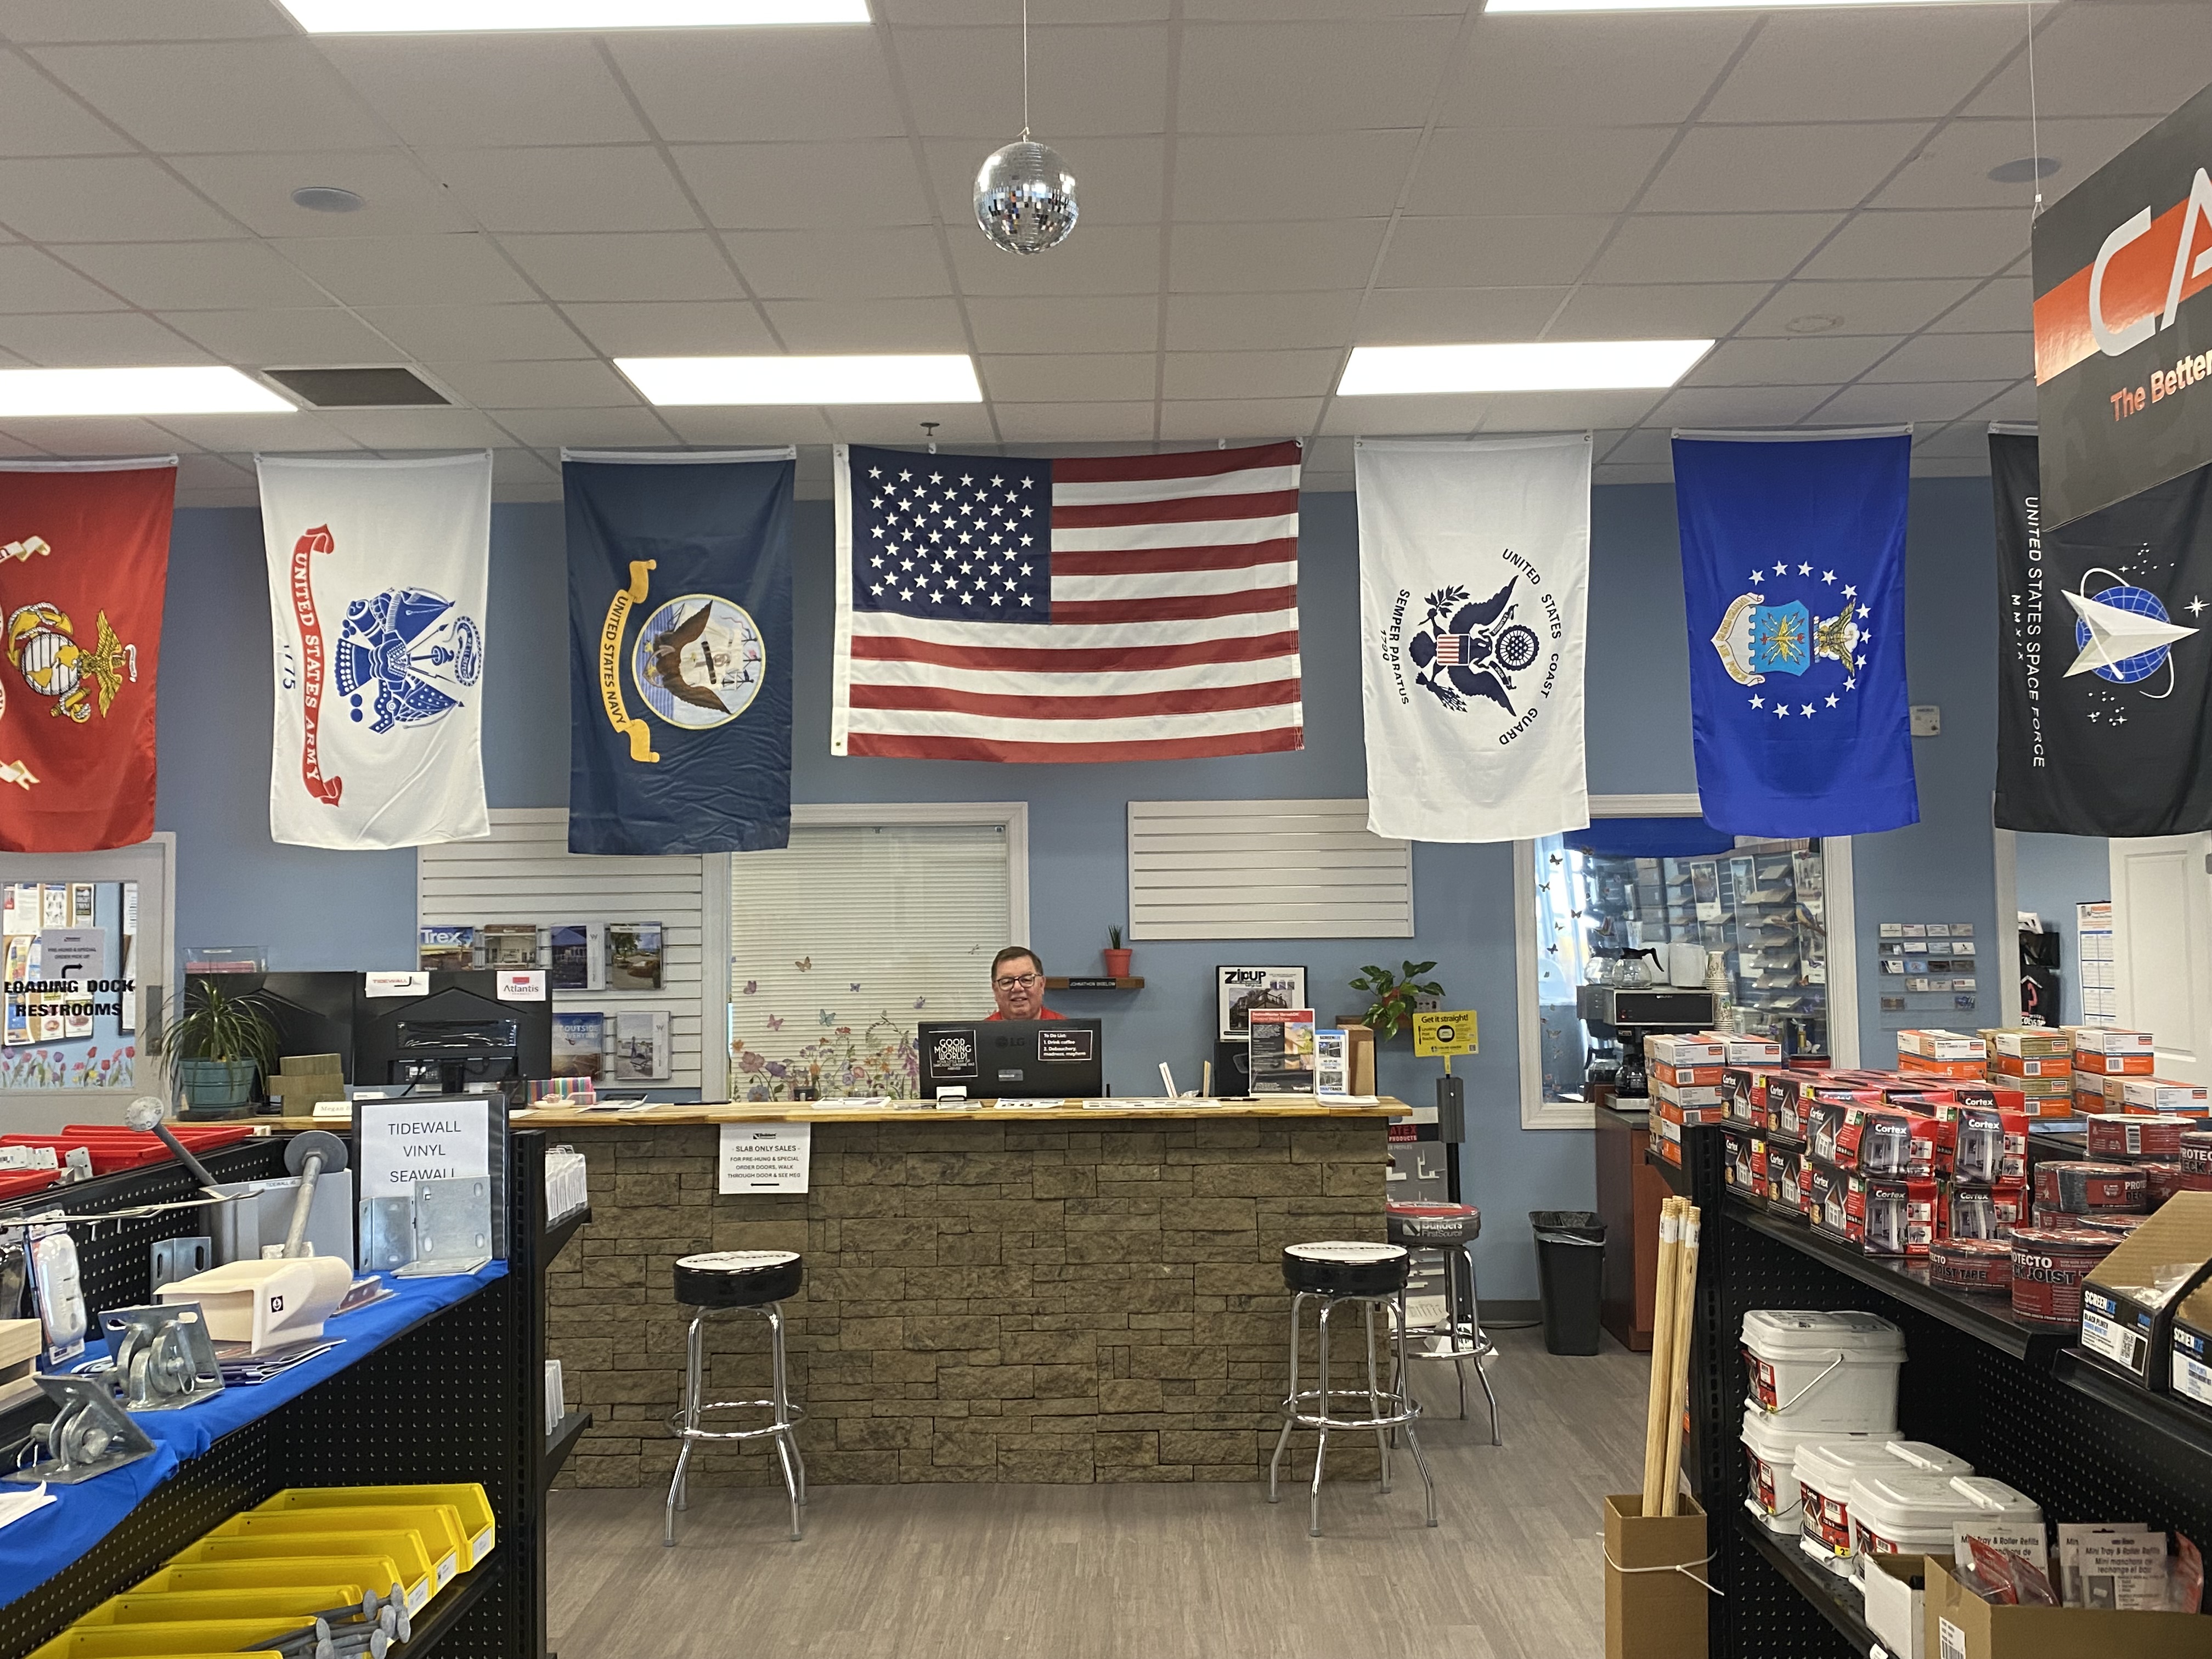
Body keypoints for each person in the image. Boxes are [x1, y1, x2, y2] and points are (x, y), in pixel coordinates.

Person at [987, 946, 1063, 1022]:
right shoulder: (982, 1033)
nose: (1017, 988)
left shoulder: (1067, 1030)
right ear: (995, 990)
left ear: (1041, 985)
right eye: (1007, 982)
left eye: (1026, 980)